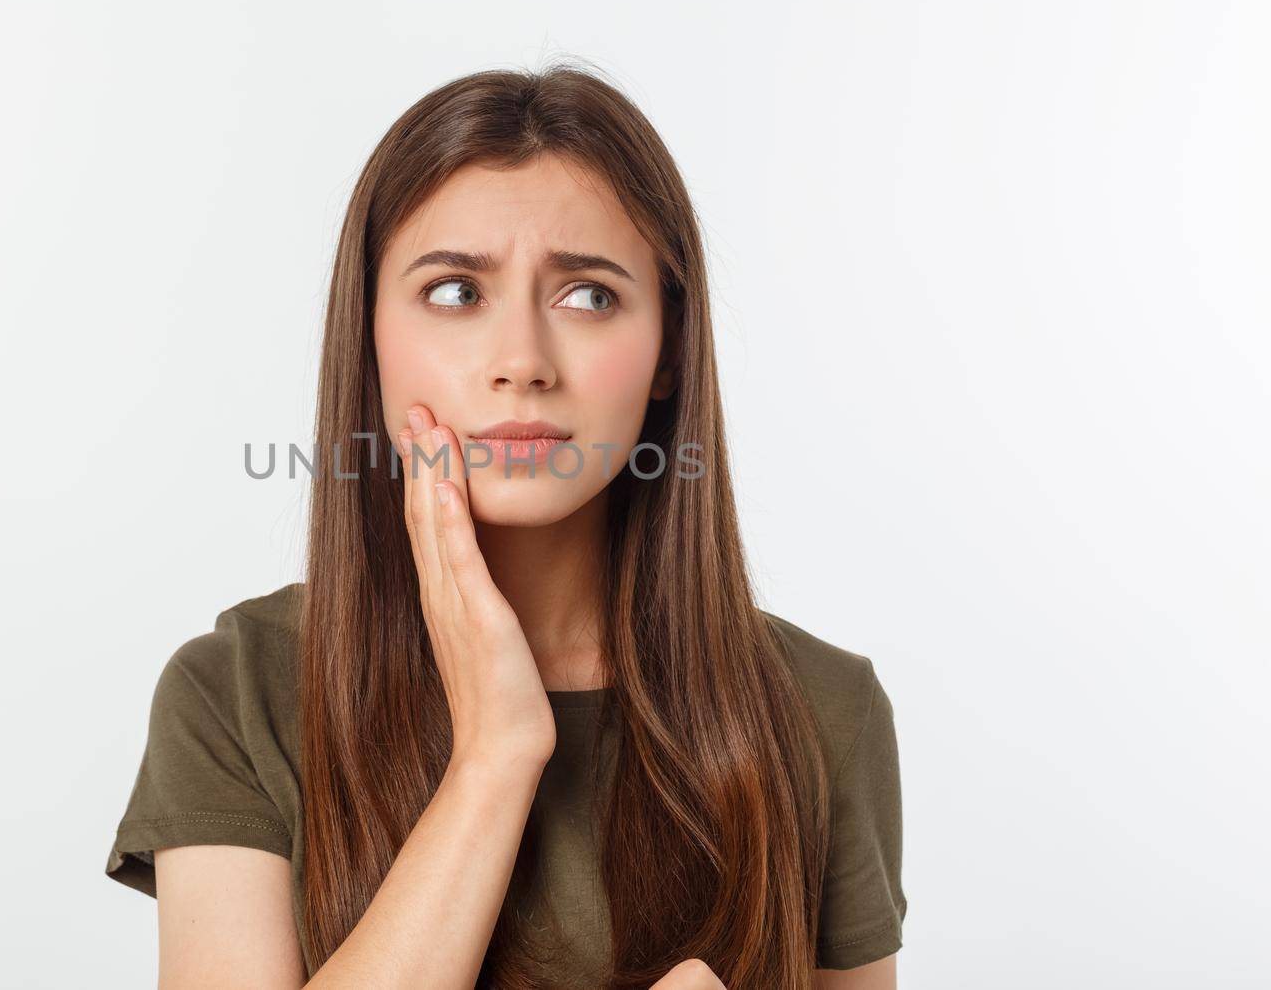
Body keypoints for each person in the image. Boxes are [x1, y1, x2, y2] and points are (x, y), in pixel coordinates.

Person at [105, 63, 907, 990]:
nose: (522, 361)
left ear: (668, 353)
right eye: (455, 292)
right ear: (367, 338)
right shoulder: (239, 692)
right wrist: (495, 752)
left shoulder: (821, 711)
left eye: (590, 295)